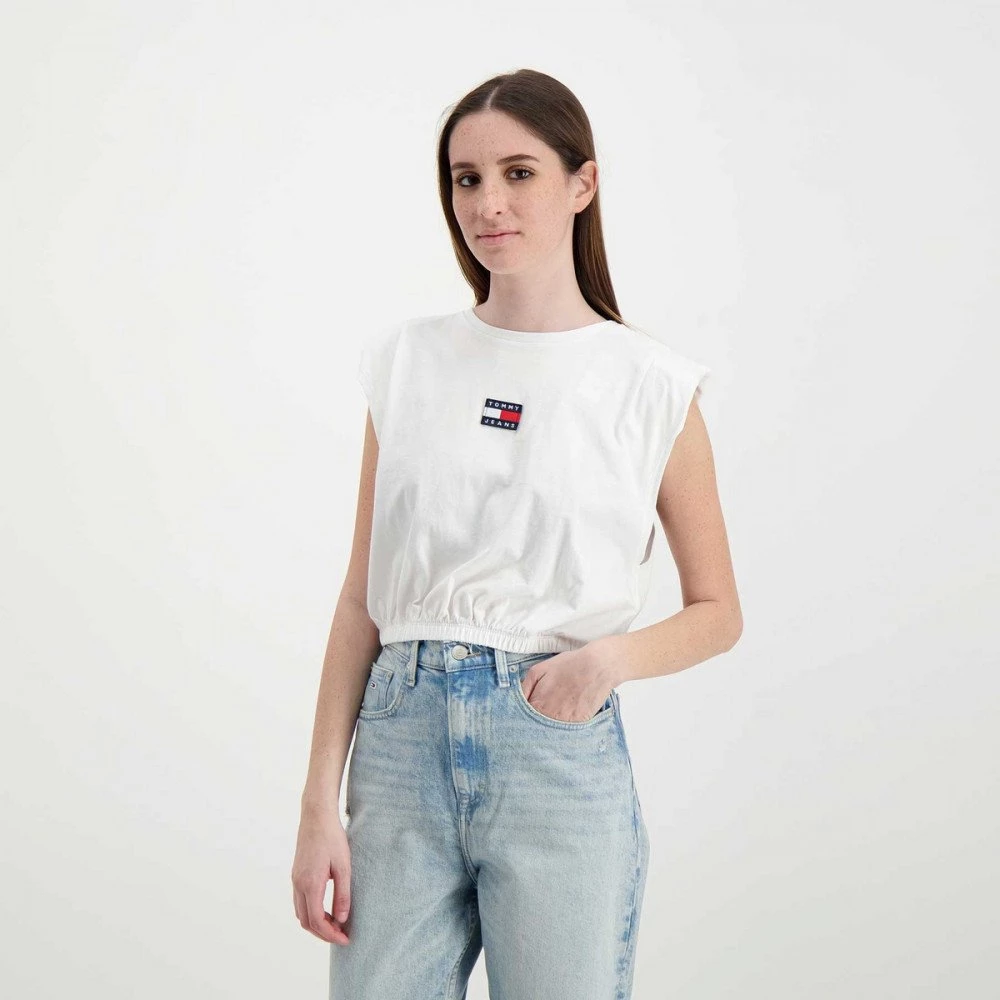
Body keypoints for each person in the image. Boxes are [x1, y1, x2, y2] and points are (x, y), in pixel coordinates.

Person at [292, 68, 742, 999]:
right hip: (398, 745)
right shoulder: (406, 363)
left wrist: (606, 662)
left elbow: (717, 612)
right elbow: (362, 598)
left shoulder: (651, 385)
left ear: (582, 184)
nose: (487, 203)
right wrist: (317, 806)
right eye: (466, 179)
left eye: (518, 173)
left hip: (555, 750)